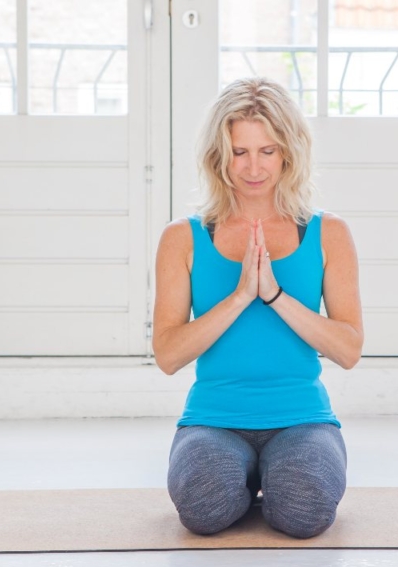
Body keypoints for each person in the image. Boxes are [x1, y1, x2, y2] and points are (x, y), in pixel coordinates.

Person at [152, 77, 364, 539]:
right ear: (218, 155)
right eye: (239, 152)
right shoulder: (182, 237)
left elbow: (349, 350)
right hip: (213, 419)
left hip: (303, 419)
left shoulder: (328, 233)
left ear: (289, 152)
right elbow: (167, 355)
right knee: (203, 508)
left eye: (267, 151)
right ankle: (246, 477)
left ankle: (275, 478)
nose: (253, 167)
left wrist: (274, 295)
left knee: (305, 511)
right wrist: (239, 296)